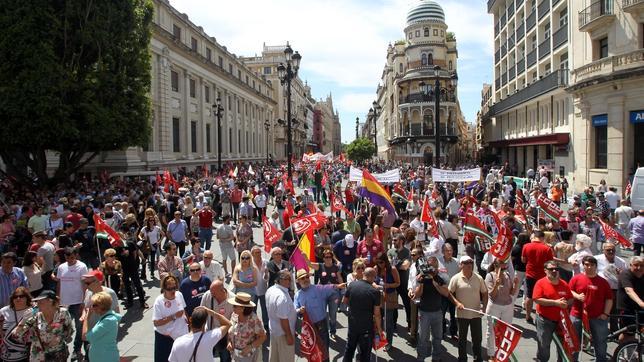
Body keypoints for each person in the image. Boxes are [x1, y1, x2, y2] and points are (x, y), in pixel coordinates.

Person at [294, 269, 346, 361]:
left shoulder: (318, 288)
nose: (306, 279)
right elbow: (295, 309)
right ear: (298, 281)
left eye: (307, 277)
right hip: (309, 327)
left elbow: (330, 287)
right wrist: (299, 310)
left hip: (321, 324)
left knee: (324, 348)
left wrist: (338, 286)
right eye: (302, 278)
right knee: (312, 349)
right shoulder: (298, 295)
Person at [569, 255, 612, 362]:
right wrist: (577, 296)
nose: (589, 267)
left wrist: (605, 314)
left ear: (596, 266)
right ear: (583, 265)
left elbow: (609, 299)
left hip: (598, 317)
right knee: (574, 341)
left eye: (592, 265)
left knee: (600, 341)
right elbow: (569, 291)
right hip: (577, 315)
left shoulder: (603, 282)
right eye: (586, 265)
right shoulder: (576, 278)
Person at [13, 290, 74, 361]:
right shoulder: (35, 317)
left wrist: (60, 337)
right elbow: (16, 336)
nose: (37, 304)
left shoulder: (63, 313)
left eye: (41, 302)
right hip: (38, 356)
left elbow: (70, 330)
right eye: (37, 302)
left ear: (50, 302)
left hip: (57, 355)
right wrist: (23, 321)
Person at [532, 260, 574, 362]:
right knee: (544, 345)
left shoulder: (564, 283)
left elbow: (571, 298)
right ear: (545, 270)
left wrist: (566, 303)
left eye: (556, 269)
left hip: (561, 321)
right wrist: (555, 303)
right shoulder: (540, 283)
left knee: (562, 344)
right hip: (544, 320)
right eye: (551, 269)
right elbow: (537, 299)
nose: (554, 271)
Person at [448, 255, 488, 362]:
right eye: (466, 263)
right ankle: (462, 358)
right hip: (462, 315)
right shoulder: (455, 278)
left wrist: (483, 307)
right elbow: (449, 293)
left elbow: (484, 293)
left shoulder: (478, 278)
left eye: (471, 262)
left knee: (477, 339)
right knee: (462, 339)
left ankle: (477, 358)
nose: (469, 264)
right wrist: (457, 303)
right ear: (461, 265)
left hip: (476, 314)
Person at [342, 267, 382, 362]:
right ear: (373, 277)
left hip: (353, 324)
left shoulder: (352, 285)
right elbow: (377, 314)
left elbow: (344, 301)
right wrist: (379, 329)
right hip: (366, 327)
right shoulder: (375, 292)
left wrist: (354, 307)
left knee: (349, 350)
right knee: (365, 353)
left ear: (364, 274)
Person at [54, 247, 87, 360]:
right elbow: (59, 283)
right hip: (64, 304)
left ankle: (76, 349)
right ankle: (62, 349)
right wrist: (57, 298)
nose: (70, 260)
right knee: (62, 328)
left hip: (78, 302)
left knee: (79, 328)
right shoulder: (61, 267)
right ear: (65, 257)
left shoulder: (82, 266)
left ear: (76, 256)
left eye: (72, 258)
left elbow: (85, 284)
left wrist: (83, 301)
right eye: (67, 258)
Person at [414, 255, 449, 361]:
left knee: (437, 338)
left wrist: (435, 283)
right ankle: (421, 358)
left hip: (438, 312)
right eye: (429, 265)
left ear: (437, 266)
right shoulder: (421, 276)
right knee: (423, 338)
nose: (431, 268)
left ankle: (436, 358)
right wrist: (421, 283)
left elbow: (446, 293)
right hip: (424, 312)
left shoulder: (441, 276)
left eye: (433, 265)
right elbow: (417, 295)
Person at [485, 259, 519, 359]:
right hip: (494, 306)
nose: (505, 266)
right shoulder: (490, 276)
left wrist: (516, 284)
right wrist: (496, 285)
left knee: (506, 331)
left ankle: (503, 354)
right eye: (503, 264)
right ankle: (491, 354)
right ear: (497, 265)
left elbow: (511, 293)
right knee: (491, 331)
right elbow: (491, 295)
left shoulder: (507, 275)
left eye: (506, 264)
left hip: (507, 307)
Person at [152, 275, 188, 362]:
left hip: (181, 336)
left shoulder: (179, 295)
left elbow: (184, 310)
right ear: (164, 289)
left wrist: (186, 318)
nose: (173, 291)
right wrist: (173, 316)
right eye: (169, 289)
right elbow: (156, 322)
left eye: (174, 288)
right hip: (165, 339)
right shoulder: (159, 301)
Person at [521, 230, 554, 324]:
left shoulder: (526, 246)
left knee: (529, 296)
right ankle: (542, 315)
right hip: (543, 276)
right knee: (543, 297)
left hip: (530, 274)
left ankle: (527, 315)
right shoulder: (547, 248)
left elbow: (523, 260)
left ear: (534, 237)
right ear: (543, 238)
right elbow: (550, 263)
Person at [265, 269, 297, 362]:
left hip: (274, 331)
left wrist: (296, 311)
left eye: (290, 279)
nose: (289, 281)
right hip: (283, 334)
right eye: (286, 278)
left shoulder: (270, 290)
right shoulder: (282, 297)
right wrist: (289, 335)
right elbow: (283, 319)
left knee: (274, 358)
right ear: (279, 279)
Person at [595, 241, 627, 331]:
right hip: (600, 290)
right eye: (608, 250)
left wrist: (621, 274)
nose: (611, 252)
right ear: (603, 250)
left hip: (615, 290)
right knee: (600, 311)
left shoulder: (621, 262)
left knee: (614, 312)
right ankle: (599, 330)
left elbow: (626, 276)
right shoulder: (596, 259)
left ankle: (614, 331)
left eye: (613, 250)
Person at [82, 291, 122, 362]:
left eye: (94, 305)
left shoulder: (107, 321)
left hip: (105, 357)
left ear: (101, 306)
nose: (91, 307)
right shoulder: (108, 317)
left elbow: (85, 337)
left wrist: (86, 318)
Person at [200, 279, 234, 362]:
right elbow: (201, 314)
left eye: (214, 292)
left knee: (225, 358)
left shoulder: (233, 299)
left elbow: (234, 321)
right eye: (211, 291)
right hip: (210, 333)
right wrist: (201, 332)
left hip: (224, 336)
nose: (211, 294)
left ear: (222, 290)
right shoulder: (207, 295)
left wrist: (230, 340)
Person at [227, 292, 267, 362]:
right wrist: (229, 342)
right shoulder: (234, 315)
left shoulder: (253, 319)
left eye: (235, 306)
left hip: (248, 357)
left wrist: (250, 347)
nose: (233, 307)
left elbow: (263, 336)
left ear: (242, 308)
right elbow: (230, 332)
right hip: (234, 356)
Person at [374, 252, 399, 350]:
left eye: (381, 262)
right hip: (379, 296)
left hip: (390, 296)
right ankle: (379, 340)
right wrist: (376, 286)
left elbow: (398, 283)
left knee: (388, 322)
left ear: (385, 261)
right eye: (378, 262)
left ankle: (389, 342)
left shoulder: (392, 269)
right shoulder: (376, 269)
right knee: (377, 321)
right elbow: (372, 281)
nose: (379, 264)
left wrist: (388, 285)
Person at [0, 287, 32, 362]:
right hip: (6, 354)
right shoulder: (4, 311)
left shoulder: (33, 311)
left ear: (27, 298)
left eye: (21, 296)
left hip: (26, 355)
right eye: (15, 297)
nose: (18, 299)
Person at [616, 256, 643, 340]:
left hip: (640, 307)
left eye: (642, 265)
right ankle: (625, 350)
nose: (639, 268)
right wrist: (641, 303)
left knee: (640, 329)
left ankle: (636, 347)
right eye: (636, 265)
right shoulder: (625, 274)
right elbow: (629, 290)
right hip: (627, 307)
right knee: (628, 333)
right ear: (630, 265)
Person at [250, 246, 269, 330]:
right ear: (252, 254)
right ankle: (254, 325)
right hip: (253, 291)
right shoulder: (249, 264)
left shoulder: (266, 262)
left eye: (260, 252)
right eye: (257, 252)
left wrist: (266, 274)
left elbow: (266, 279)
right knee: (253, 309)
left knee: (265, 309)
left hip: (264, 290)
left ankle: (266, 325)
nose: (259, 254)